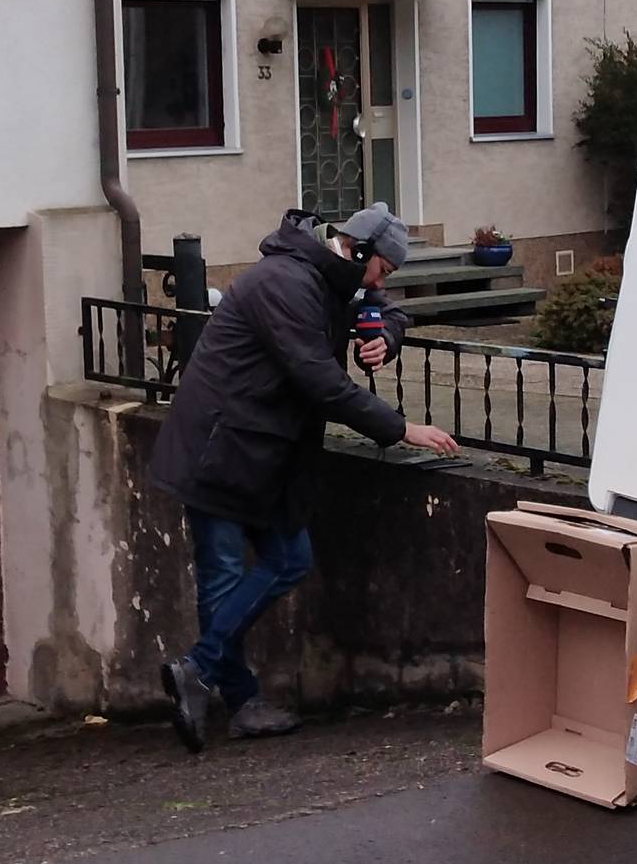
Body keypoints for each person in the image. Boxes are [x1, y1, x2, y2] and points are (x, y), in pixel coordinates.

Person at [148, 205, 460, 750]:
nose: (382, 280)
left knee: (290, 560)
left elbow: (384, 309)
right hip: (219, 447)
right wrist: (399, 428)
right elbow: (318, 377)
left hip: (266, 453)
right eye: (383, 269)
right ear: (358, 250)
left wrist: (384, 335)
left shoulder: (332, 274)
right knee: (223, 576)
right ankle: (238, 701)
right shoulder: (284, 283)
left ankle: (199, 671)